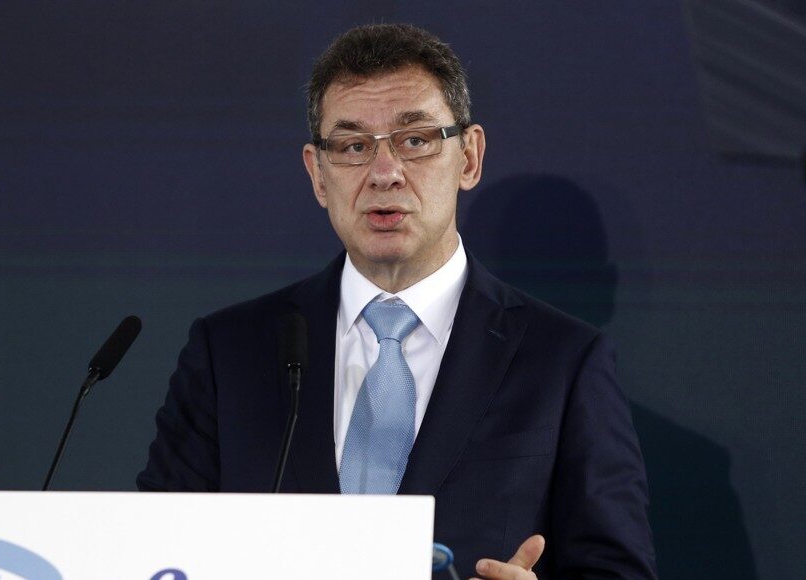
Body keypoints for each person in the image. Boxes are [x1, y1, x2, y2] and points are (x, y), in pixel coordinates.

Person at [138, 23, 657, 579]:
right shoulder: (228, 354)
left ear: (469, 158)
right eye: (353, 146)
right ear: (318, 175)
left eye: (415, 141)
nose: (384, 174)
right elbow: (150, 554)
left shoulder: (564, 362)